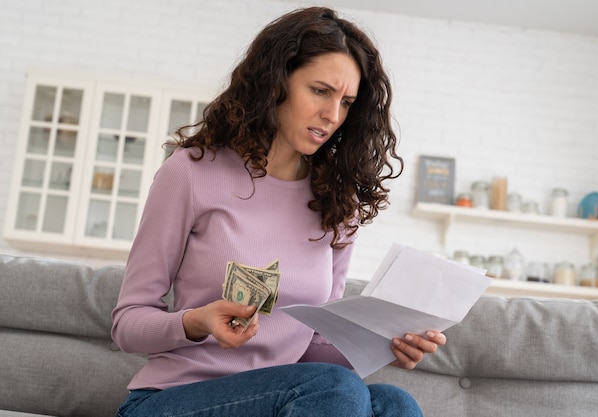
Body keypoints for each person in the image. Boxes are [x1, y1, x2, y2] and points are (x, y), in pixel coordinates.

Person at [111, 6, 446, 417]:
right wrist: (196, 321)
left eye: (347, 102)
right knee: (334, 388)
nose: (333, 115)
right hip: (172, 402)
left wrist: (386, 346)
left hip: (287, 399)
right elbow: (127, 323)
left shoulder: (338, 204)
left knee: (394, 403)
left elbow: (314, 347)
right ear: (275, 83)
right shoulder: (191, 172)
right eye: (320, 91)